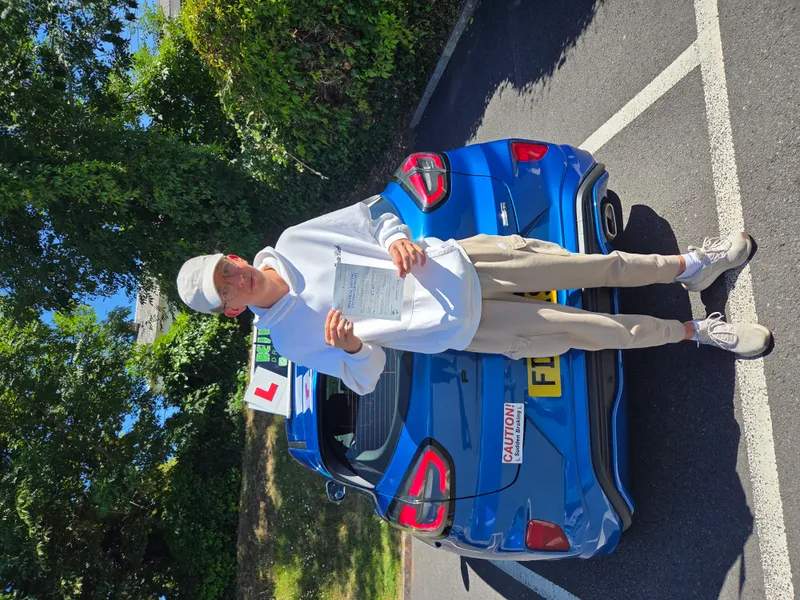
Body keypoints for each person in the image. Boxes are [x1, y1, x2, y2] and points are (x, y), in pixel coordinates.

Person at [176, 200, 771, 395]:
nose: (235, 279)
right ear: (230, 311)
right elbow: (365, 379)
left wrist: (399, 239)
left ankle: (693, 265)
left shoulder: (292, 241)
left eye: (226, 268)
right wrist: (354, 347)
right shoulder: (289, 340)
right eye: (225, 290)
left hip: (460, 262)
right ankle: (697, 332)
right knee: (589, 330)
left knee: (596, 263)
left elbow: (375, 213)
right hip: (466, 329)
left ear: (231, 255)